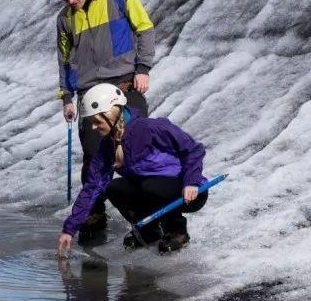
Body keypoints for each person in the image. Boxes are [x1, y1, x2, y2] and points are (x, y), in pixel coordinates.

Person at [51, 0, 156, 242]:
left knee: (136, 149)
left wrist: (143, 69)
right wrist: (66, 97)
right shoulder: (64, 19)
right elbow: (65, 60)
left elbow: (144, 27)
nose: (71, 1)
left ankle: (152, 217)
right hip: (89, 95)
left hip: (124, 86)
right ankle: (94, 212)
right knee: (95, 155)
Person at [56, 83, 209, 258]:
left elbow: (193, 150)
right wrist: (69, 228)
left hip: (188, 191)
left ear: (110, 114)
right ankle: (148, 231)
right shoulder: (107, 146)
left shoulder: (151, 128)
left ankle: (177, 232)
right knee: (113, 188)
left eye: (97, 122)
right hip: (150, 190)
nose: (93, 127)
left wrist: (192, 181)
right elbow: (93, 187)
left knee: (151, 185)